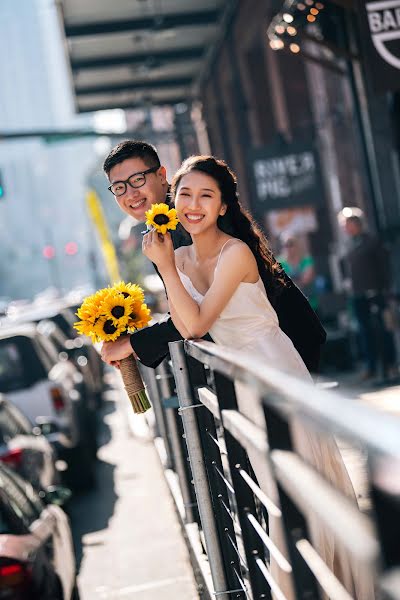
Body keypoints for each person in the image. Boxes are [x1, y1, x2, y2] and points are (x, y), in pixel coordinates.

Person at [142, 155, 372, 600]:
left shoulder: (236, 252)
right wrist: (170, 266)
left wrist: (166, 268)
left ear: (224, 206)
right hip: (241, 381)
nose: (193, 204)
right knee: (272, 487)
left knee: (301, 482)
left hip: (275, 373)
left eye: (206, 196)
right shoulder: (182, 256)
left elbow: (195, 323)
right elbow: (185, 322)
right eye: (184, 194)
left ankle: (327, 586)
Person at [101, 140, 326, 374]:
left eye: (137, 180)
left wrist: (131, 344)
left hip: (278, 346)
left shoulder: (189, 220)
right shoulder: (162, 230)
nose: (131, 193)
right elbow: (185, 311)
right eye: (119, 188)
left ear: (161, 175)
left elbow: (194, 319)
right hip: (249, 359)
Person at [339, 207, 397, 380]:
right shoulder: (349, 246)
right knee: (365, 332)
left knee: (383, 330)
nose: (346, 228)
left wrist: (386, 289)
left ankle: (391, 365)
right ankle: (371, 367)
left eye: (348, 224)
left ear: (357, 224)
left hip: (376, 293)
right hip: (358, 295)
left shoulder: (372, 241)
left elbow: (385, 267)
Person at [278, 235, 318, 310]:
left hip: (310, 304)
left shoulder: (307, 260)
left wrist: (290, 280)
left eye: (290, 244)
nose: (288, 248)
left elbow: (306, 279)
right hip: (291, 306)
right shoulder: (279, 263)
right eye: (285, 245)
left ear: (297, 245)